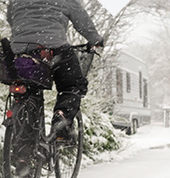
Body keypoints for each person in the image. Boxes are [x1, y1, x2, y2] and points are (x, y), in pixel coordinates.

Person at [6, 0, 104, 141]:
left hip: (21, 51)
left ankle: (27, 147)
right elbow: (82, 20)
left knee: (29, 88)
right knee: (73, 85)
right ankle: (62, 115)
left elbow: (11, 18)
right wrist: (95, 40)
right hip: (53, 48)